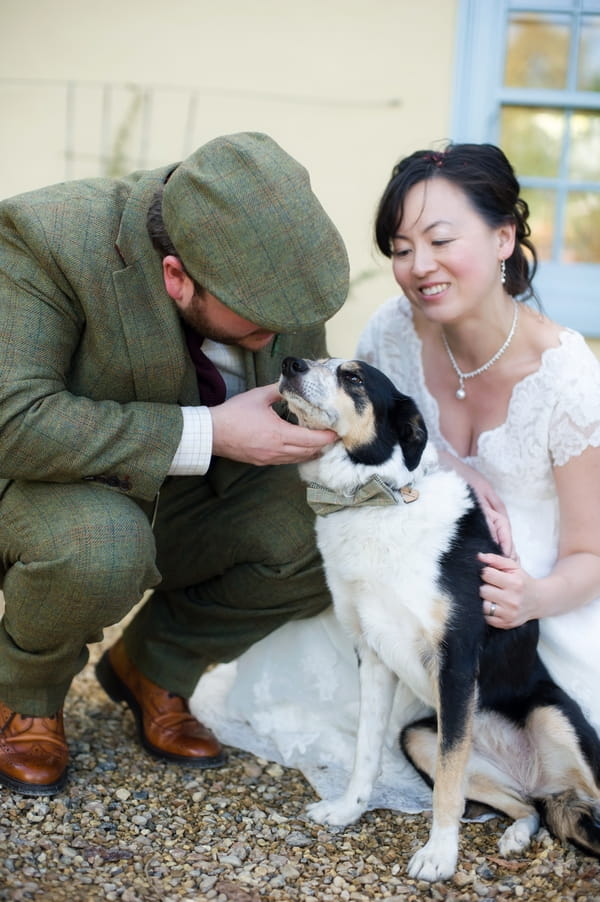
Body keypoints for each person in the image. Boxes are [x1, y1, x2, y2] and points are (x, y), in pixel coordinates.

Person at [192, 142, 600, 814]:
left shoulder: (567, 375)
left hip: (529, 604)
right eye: (402, 247)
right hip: (405, 572)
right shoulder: (394, 332)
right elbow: (383, 444)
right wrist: (457, 462)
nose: (418, 267)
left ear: (504, 238)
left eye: (440, 240)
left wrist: (532, 597)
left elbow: (590, 554)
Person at [0, 131, 351, 796]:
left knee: (333, 534)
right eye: (256, 324)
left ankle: (154, 665)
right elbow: (11, 422)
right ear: (175, 276)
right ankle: (26, 693)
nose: (276, 339)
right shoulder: (44, 237)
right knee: (101, 547)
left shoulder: (274, 256)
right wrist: (210, 431)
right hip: (45, 487)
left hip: (187, 496)